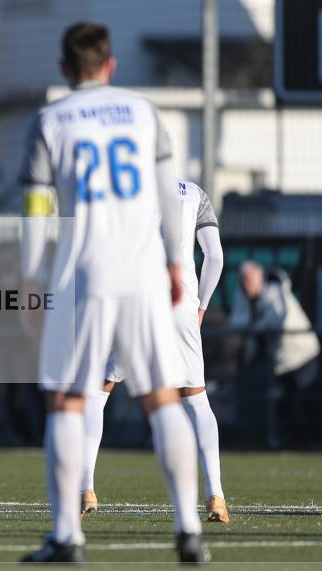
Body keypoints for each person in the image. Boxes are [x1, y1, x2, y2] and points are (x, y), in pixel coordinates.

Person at [18, 23, 207, 563]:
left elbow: (35, 210)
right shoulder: (144, 112)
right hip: (145, 272)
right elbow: (172, 198)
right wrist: (176, 261)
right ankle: (188, 529)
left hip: (83, 275)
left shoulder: (50, 121)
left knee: (65, 400)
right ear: (111, 65)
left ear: (63, 69)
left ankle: (66, 536)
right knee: (162, 396)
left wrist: (31, 279)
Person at [81, 180, 229, 524]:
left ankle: (86, 486)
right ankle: (216, 496)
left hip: (135, 300)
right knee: (195, 399)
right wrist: (202, 305)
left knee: (98, 390)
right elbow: (216, 257)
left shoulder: (123, 189)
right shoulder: (194, 194)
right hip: (181, 304)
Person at [230, 261, 320, 447]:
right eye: (244, 281)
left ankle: (311, 444)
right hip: (280, 362)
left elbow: (275, 321)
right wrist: (254, 323)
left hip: (302, 355)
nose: (247, 285)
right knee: (284, 405)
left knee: (304, 403)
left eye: (250, 280)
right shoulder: (243, 295)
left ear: (260, 277)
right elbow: (237, 322)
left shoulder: (275, 292)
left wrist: (253, 324)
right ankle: (293, 443)